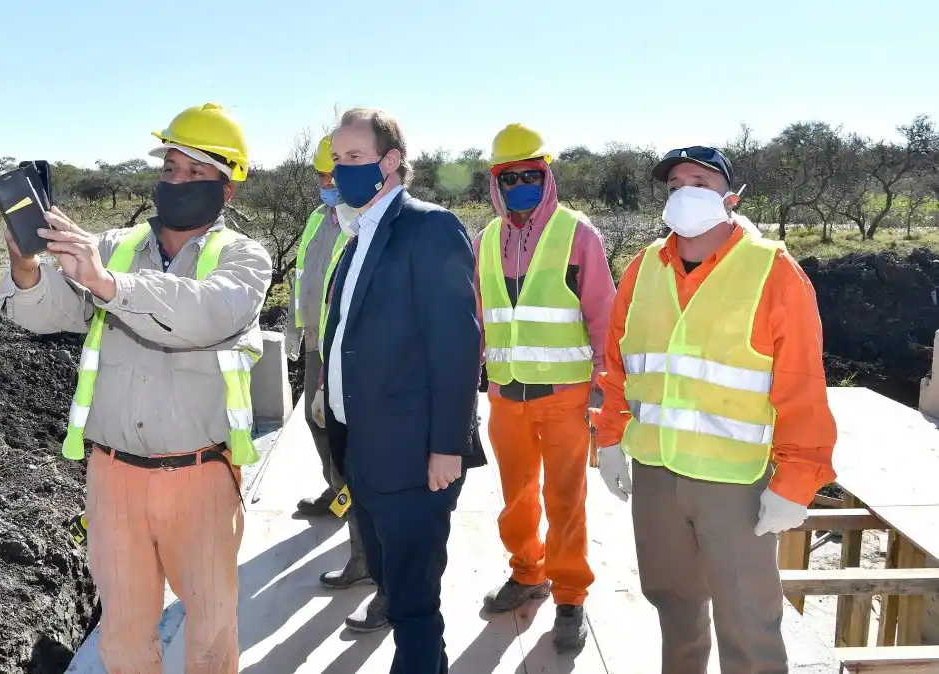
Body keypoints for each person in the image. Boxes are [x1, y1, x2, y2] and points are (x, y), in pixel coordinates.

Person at [0, 102, 272, 674]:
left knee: (211, 631)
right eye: (170, 168)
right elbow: (44, 312)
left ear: (229, 189)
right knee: (122, 632)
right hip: (113, 477)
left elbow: (204, 314)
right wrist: (27, 270)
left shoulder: (243, 258)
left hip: (201, 478)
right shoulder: (114, 247)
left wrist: (107, 282)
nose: (176, 181)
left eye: (195, 173)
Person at [591, 146, 838, 674]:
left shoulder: (771, 271)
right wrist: (609, 439)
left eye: (699, 181)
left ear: (730, 195)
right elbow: (619, 365)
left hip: (735, 483)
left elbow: (801, 387)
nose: (685, 192)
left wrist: (795, 482)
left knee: (747, 621)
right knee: (673, 606)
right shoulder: (644, 268)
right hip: (656, 475)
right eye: (676, 182)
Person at [319, 107, 483, 674]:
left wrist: (447, 447)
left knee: (413, 605)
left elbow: (458, 346)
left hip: (415, 457)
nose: (343, 171)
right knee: (394, 588)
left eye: (356, 158)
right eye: (338, 160)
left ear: (391, 162)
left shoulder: (428, 227)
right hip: (362, 451)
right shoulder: (356, 232)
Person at [474, 123, 616, 651]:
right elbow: (478, 320)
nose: (519, 186)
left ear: (546, 174)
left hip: (565, 399)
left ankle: (571, 596)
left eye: (530, 175)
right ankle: (527, 573)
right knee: (515, 500)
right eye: (508, 178)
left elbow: (603, 318)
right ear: (495, 182)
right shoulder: (485, 240)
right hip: (505, 397)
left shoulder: (577, 233)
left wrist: (605, 394)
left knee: (565, 499)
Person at [284, 135, 384, 623]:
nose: (326, 184)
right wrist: (293, 333)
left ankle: (364, 556)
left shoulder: (363, 224)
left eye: (332, 175)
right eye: (322, 176)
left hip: (342, 350)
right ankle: (335, 491)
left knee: (350, 443)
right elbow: (303, 278)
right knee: (316, 423)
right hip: (315, 342)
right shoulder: (318, 220)